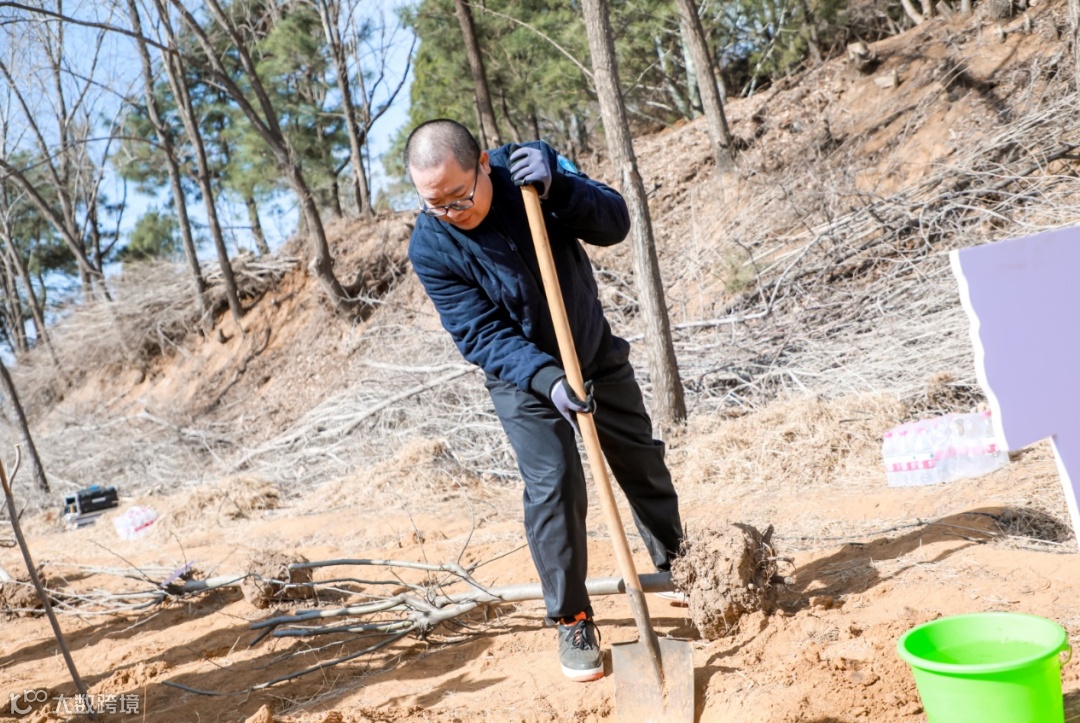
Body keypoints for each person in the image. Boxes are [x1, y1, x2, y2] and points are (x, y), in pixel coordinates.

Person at [404, 119, 683, 683]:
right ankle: (572, 616)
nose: (452, 212)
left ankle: (684, 566)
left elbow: (615, 222)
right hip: (524, 377)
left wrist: (562, 185)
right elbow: (479, 333)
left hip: (592, 348)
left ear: (484, 164)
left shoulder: (530, 169)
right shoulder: (430, 246)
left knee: (638, 456)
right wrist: (547, 379)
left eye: (459, 197)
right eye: (436, 204)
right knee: (554, 482)